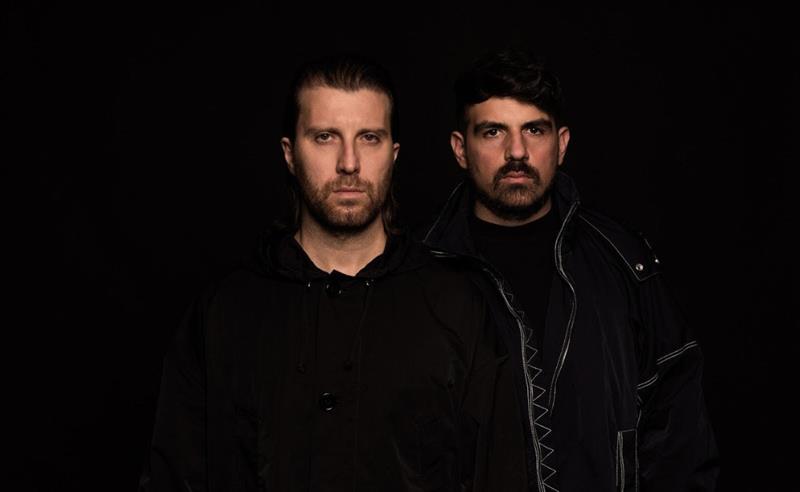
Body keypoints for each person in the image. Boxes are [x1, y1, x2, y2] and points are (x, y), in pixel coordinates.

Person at [139, 55, 527, 491]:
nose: (349, 163)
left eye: (369, 138)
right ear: (290, 154)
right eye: (325, 137)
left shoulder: (458, 308)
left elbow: (501, 477)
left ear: (393, 154)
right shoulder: (223, 313)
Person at [423, 47, 719, 491]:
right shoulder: (418, 271)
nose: (516, 151)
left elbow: (680, 437)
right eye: (493, 132)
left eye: (534, 130)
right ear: (460, 149)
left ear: (561, 144)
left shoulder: (624, 263)